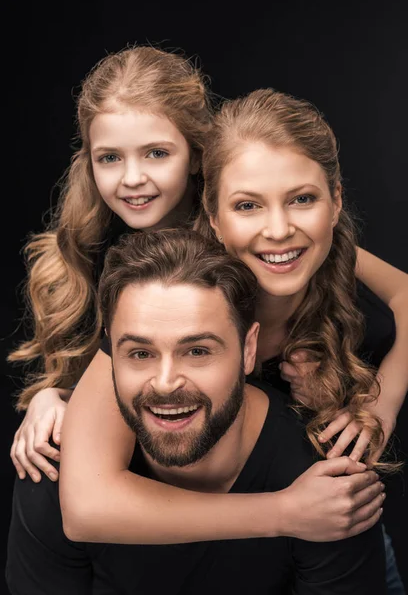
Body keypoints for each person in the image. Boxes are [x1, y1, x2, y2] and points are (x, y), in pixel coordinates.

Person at [7, 46, 407, 570]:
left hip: (329, 516)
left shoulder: (304, 238)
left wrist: (381, 402)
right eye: (246, 206)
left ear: (333, 201)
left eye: (156, 153)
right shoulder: (179, 281)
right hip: (228, 521)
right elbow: (88, 504)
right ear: (215, 217)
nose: (278, 227)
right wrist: (57, 397)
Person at [6, 228, 388, 595]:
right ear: (109, 355)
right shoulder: (51, 466)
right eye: (140, 353)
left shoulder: (327, 488)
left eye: (198, 351)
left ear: (248, 349)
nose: (166, 382)